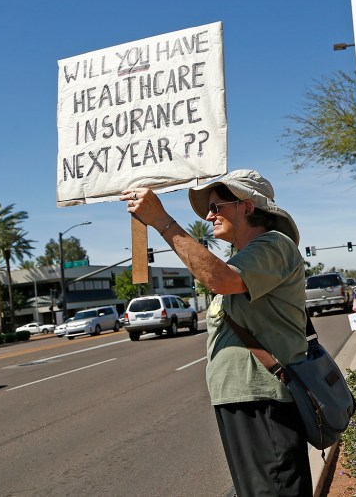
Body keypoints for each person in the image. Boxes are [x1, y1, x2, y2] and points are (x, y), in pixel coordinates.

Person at [121, 169, 312, 496]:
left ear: (247, 207)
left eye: (216, 207)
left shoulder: (275, 244)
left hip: (264, 400)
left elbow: (220, 279)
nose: (209, 216)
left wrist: (162, 221)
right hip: (242, 399)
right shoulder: (245, 257)